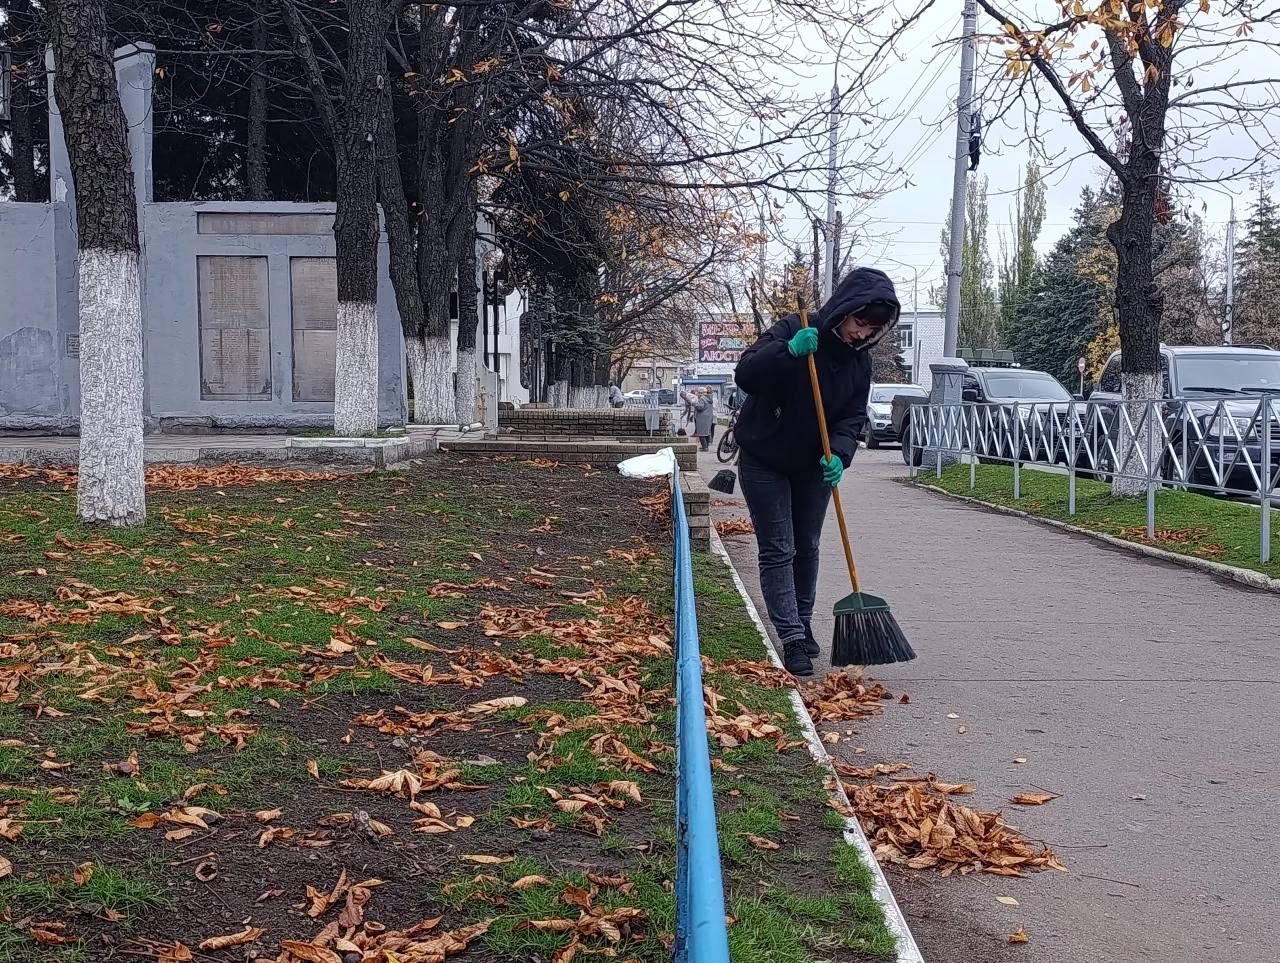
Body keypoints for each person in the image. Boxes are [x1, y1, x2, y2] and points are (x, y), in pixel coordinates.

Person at [732, 268, 900, 676]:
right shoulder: (795, 328)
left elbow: (853, 416)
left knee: (806, 546)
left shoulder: (859, 363)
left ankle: (802, 622)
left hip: (814, 464)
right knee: (779, 549)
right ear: (845, 310)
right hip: (765, 458)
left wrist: (841, 454)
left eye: (873, 329)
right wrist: (788, 352)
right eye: (861, 323)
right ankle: (791, 637)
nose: (863, 335)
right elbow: (747, 374)